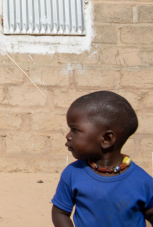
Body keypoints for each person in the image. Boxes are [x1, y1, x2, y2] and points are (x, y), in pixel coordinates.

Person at [51, 91, 153, 227]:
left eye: (75, 130)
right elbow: (60, 213)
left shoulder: (142, 182)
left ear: (107, 139)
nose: (68, 136)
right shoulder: (73, 174)